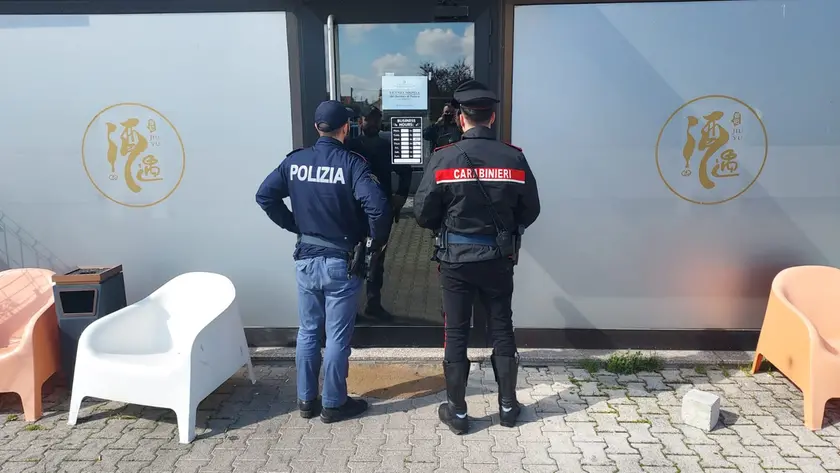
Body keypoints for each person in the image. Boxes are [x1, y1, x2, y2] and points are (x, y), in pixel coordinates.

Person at [413, 80, 541, 434]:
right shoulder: (513, 157)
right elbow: (531, 209)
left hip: (455, 259)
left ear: (461, 118)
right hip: (498, 258)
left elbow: (422, 213)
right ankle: (508, 407)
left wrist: (447, 226)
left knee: (456, 332)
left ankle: (457, 412)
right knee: (501, 327)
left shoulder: (444, 157)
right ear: (492, 117)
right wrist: (508, 229)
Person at [255, 100, 391, 423]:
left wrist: (294, 225)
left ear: (317, 128)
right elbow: (379, 208)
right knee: (337, 336)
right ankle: (333, 403)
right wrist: (374, 243)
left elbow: (265, 196)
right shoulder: (352, 164)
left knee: (308, 332)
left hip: (306, 258)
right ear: (346, 128)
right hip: (341, 262)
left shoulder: (295, 162)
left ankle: (306, 400)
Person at [346, 105, 413, 321]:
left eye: (375, 119)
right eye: (368, 119)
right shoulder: (350, 146)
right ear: (360, 121)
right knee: (352, 258)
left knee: (377, 258)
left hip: (380, 209)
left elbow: (406, 170)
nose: (372, 123)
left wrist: (400, 195)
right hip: (355, 210)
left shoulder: (387, 146)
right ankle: (351, 307)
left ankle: (373, 304)